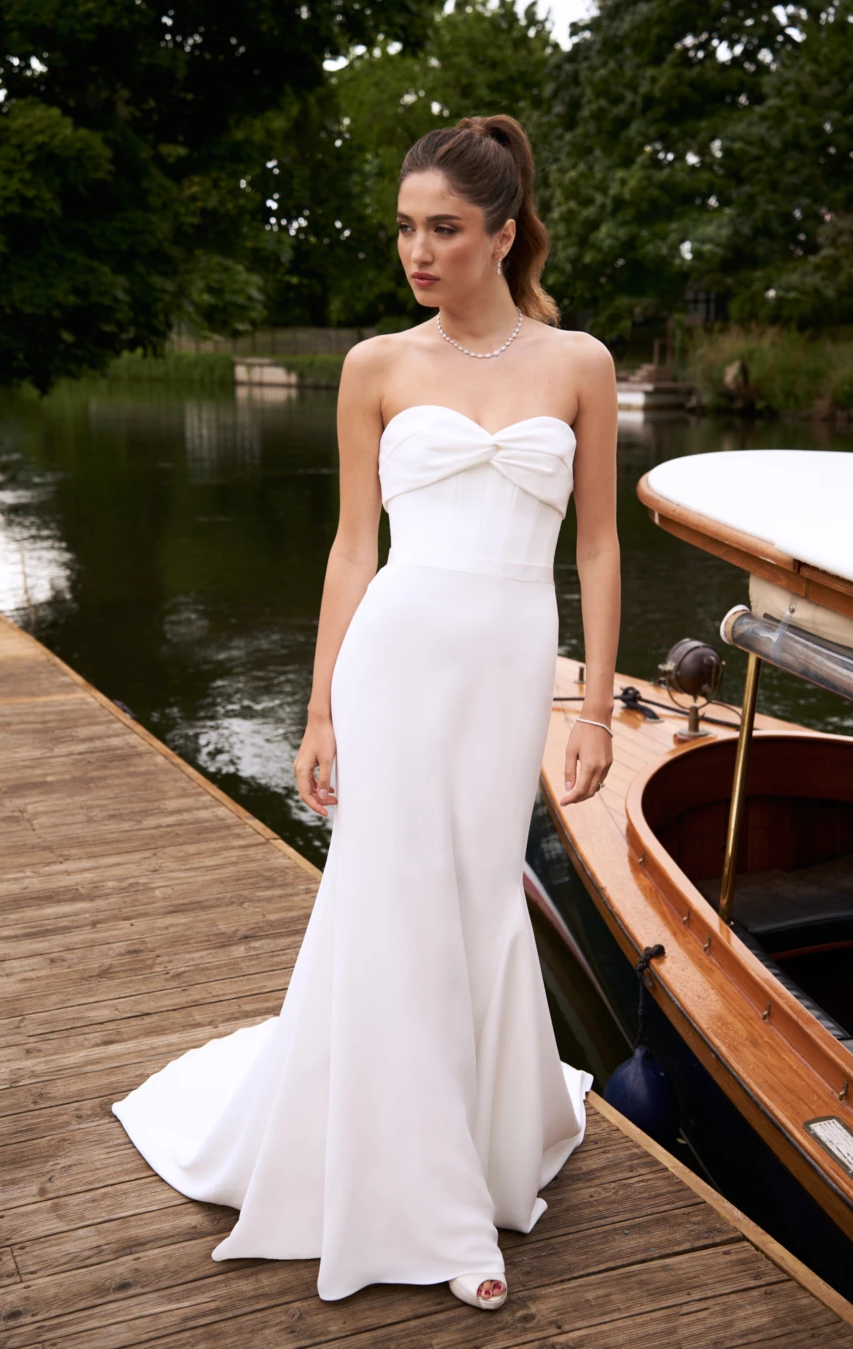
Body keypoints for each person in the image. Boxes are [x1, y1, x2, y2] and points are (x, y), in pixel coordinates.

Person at [112, 112, 620, 1314]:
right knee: (390, 900)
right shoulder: (375, 366)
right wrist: (321, 707)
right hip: (395, 657)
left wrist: (593, 704)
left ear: (504, 234)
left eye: (445, 228)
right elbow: (351, 551)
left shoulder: (581, 364)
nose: (418, 250)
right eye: (406, 228)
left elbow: (597, 547)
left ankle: (478, 1139)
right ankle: (436, 1205)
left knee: (477, 892)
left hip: (505, 662)